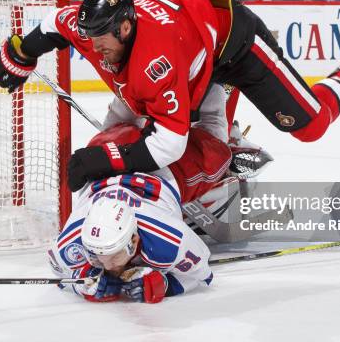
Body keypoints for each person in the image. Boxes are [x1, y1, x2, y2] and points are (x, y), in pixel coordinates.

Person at [0, 0, 340, 192]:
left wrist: (105, 161)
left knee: (309, 125)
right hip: (196, 52)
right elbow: (52, 24)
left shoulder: (157, 60)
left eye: (103, 43)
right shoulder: (94, 26)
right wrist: (19, 53)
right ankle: (228, 155)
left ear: (125, 26)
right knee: (199, 137)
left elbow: (167, 144)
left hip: (235, 45)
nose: (97, 52)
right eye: (90, 42)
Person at [48, 123, 230, 303]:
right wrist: (80, 283)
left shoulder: (169, 239)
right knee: (125, 119)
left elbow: (202, 273)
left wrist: (167, 285)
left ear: (133, 241)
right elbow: (58, 267)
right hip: (106, 149)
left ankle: (231, 148)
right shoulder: (75, 239)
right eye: (97, 256)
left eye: (114, 256)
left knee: (218, 155)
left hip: (167, 168)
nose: (108, 267)